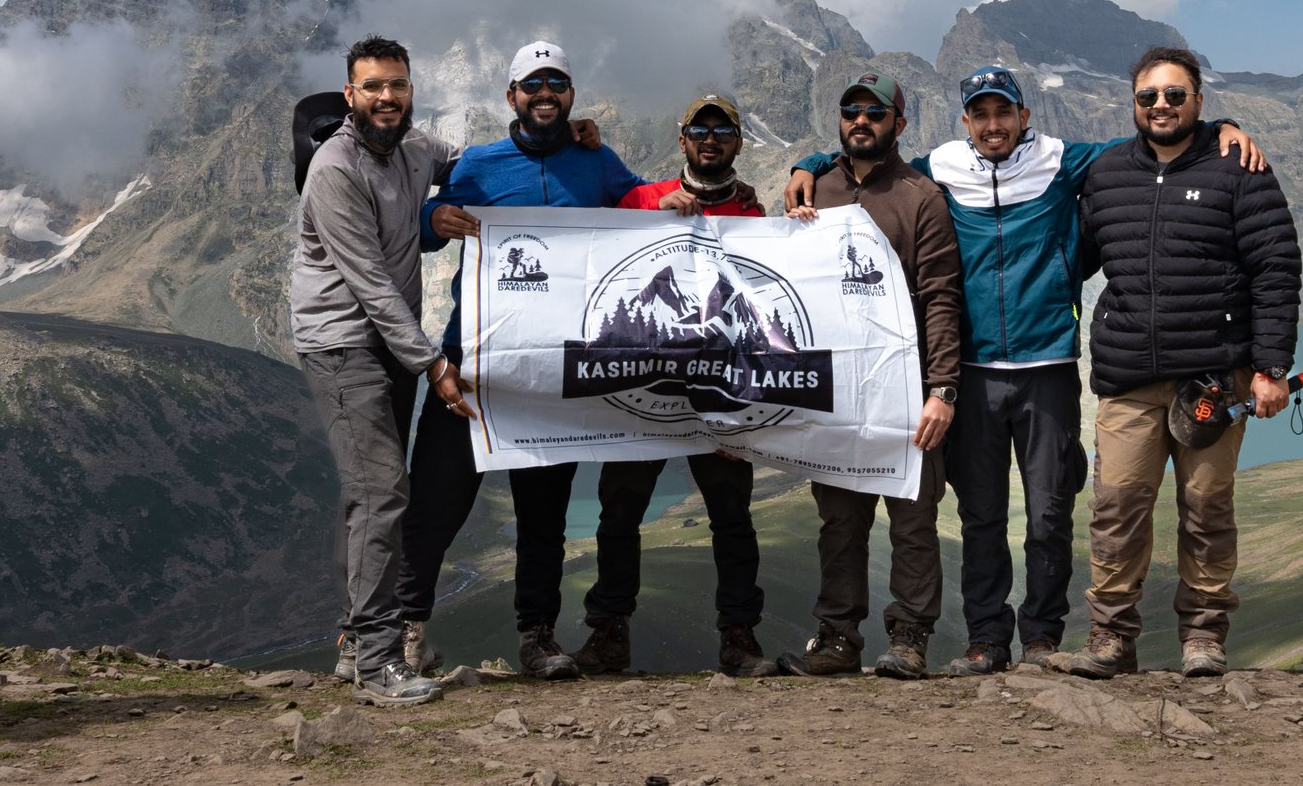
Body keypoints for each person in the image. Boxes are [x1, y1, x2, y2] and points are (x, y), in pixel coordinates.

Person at [785, 66, 1263, 675]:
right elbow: (872, 157)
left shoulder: (1063, 161)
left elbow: (1153, 140)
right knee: (980, 515)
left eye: (1003, 113)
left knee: (1048, 513)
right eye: (980, 115)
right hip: (975, 370)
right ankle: (986, 640)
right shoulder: (939, 169)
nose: (992, 125)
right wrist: (812, 159)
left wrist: (1223, 127)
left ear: (1024, 117)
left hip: (1048, 366)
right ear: (965, 121)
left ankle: (1041, 638)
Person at [394, 40, 645, 681]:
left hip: (552, 371)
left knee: (544, 518)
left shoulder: (595, 160)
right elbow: (418, 216)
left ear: (570, 95)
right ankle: (404, 635)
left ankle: (536, 639)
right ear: (511, 95)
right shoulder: (477, 164)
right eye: (532, 84)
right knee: (435, 505)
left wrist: (674, 198)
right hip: (471, 364)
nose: (544, 95)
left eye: (556, 84)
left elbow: (641, 202)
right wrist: (433, 216)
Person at [1069, 46, 1300, 680]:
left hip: (1214, 379)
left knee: (1207, 511)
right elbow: (1074, 254)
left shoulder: (1239, 168)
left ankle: (1203, 637)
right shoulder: (1106, 172)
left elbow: (1275, 269)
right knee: (1116, 509)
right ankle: (1112, 639)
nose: (1162, 106)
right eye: (1149, 97)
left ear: (1200, 100)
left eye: (1176, 95)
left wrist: (1271, 367)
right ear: (1134, 104)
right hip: (1127, 378)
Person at [571, 94, 778, 678]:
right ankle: (609, 632)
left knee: (732, 517)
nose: (710, 138)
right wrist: (652, 214)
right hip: (644, 393)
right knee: (618, 514)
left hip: (721, 396)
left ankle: (740, 638)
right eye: (699, 129)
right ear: (682, 138)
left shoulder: (755, 217)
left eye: (723, 129)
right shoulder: (640, 198)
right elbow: (588, 252)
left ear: (738, 143)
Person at [290, 35, 463, 707]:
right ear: (350, 94)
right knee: (386, 489)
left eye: (398, 84)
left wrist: (571, 135)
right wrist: (435, 364)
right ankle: (376, 662)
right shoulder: (334, 168)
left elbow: (471, 160)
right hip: (342, 344)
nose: (387, 97)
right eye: (374, 87)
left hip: (389, 348)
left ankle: (353, 645)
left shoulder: (419, 149)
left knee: (366, 494)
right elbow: (370, 285)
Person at [777, 71, 963, 680]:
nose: (862, 120)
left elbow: (940, 295)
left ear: (898, 124)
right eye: (851, 110)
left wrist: (942, 390)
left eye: (876, 113)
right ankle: (837, 637)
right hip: (832, 388)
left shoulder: (921, 196)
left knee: (912, 517)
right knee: (839, 518)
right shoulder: (814, 188)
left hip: (904, 388)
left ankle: (910, 636)